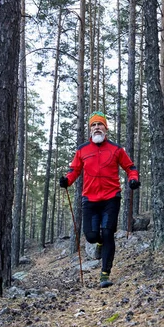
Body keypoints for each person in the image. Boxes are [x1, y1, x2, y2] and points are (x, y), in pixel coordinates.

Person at [59, 111, 140, 288]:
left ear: (106, 128)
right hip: (90, 199)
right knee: (91, 236)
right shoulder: (82, 150)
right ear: (90, 130)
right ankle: (100, 242)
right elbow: (74, 170)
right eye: (93, 125)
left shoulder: (116, 149)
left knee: (108, 232)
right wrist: (67, 180)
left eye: (100, 124)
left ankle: (105, 274)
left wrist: (133, 179)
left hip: (111, 197)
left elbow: (130, 167)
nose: (97, 128)